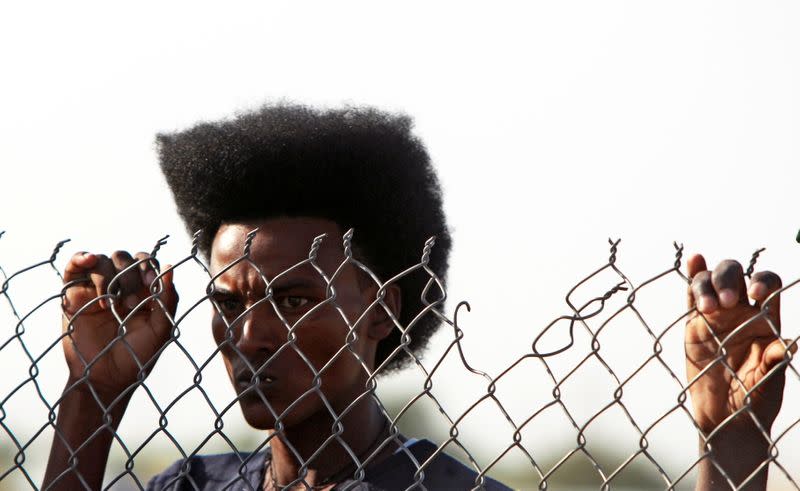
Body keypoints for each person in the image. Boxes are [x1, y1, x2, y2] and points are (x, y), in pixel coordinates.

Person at [41, 104, 791, 490]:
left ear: (382, 308)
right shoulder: (191, 487)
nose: (252, 334)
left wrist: (731, 443)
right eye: (231, 302)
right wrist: (92, 393)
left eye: (295, 299)